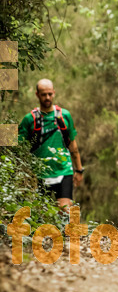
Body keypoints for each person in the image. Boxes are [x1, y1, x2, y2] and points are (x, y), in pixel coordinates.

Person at [18, 79, 84, 211]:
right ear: (37, 95)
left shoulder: (64, 116)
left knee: (65, 210)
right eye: (43, 94)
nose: (47, 97)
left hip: (64, 170)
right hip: (39, 174)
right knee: (42, 213)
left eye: (50, 94)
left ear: (54, 93)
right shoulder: (29, 119)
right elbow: (15, 147)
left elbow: (73, 145)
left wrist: (79, 170)